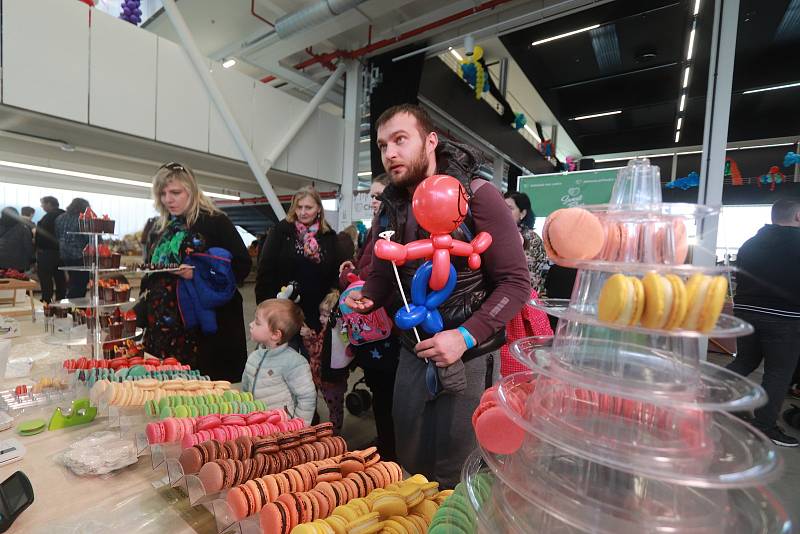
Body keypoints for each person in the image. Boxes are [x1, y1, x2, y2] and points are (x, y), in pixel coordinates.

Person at [344, 104, 529, 487]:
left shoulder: (477, 196)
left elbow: (516, 283)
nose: (389, 153)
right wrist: (369, 295)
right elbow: (383, 274)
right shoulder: (391, 205)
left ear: (431, 141)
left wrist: (463, 337)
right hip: (411, 353)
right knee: (411, 464)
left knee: (459, 473)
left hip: (472, 355)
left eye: (400, 140)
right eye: (382, 146)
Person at [140, 162, 251, 382]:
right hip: (164, 327)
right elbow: (151, 272)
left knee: (206, 394)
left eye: (175, 192)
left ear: (191, 190)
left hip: (205, 328)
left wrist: (197, 274)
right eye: (162, 194)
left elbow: (241, 265)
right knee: (168, 390)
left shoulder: (215, 222)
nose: (168, 200)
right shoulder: (159, 228)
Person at [726, 198, 800, 447]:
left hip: (746, 311)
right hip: (785, 317)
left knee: (744, 360)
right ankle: (765, 426)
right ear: (798, 216)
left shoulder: (751, 244)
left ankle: (707, 397)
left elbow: (738, 276)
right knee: (778, 373)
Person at [338, 173, 399, 460]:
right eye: (372, 196)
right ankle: (386, 440)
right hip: (372, 325)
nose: (374, 201)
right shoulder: (377, 226)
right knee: (380, 389)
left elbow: (379, 276)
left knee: (386, 391)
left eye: (379, 195)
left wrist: (351, 277)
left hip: (383, 327)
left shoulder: (392, 229)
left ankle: (389, 448)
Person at [255, 187, 339, 336]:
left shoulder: (328, 236)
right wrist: (265, 307)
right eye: (299, 207)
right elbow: (265, 270)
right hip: (284, 309)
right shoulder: (280, 231)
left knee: (312, 356)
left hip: (317, 312)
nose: (303, 212)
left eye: (308, 207)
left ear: (318, 209)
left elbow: (335, 271)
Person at [242, 298, 316, 425]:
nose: (251, 324)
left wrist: (298, 426)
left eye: (257, 322)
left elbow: (307, 397)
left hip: (281, 427)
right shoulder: (254, 357)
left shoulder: (294, 363)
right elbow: (245, 389)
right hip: (256, 424)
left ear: (275, 335)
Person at [300, 290, 349, 435]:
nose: (321, 318)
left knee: (335, 409)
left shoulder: (334, 335)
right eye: (321, 314)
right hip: (322, 378)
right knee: (334, 408)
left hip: (331, 381)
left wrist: (309, 336)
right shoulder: (327, 330)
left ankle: (335, 434)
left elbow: (316, 351)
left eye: (326, 315)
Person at [504, 191, 547, 294]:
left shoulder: (532, 239)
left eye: (510, 208)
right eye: (502, 207)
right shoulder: (500, 233)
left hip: (523, 296)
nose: (504, 211)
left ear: (522, 213)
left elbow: (528, 276)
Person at [55, 198, 90, 299]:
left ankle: (71, 306)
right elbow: (88, 238)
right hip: (80, 256)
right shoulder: (82, 219)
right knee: (79, 285)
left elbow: (57, 235)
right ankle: (75, 309)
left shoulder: (60, 218)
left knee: (72, 282)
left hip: (64, 255)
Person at [35, 196, 66, 302]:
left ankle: (46, 300)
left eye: (43, 204)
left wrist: (38, 248)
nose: (42, 206)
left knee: (45, 278)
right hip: (62, 253)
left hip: (47, 252)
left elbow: (41, 235)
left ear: (49, 204)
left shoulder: (48, 217)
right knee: (60, 278)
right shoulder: (64, 216)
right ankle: (61, 300)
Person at [0, 207, 34, 272]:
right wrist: (31, 258)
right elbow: (27, 245)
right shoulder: (23, 227)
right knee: (17, 279)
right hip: (17, 261)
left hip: (1, 259)